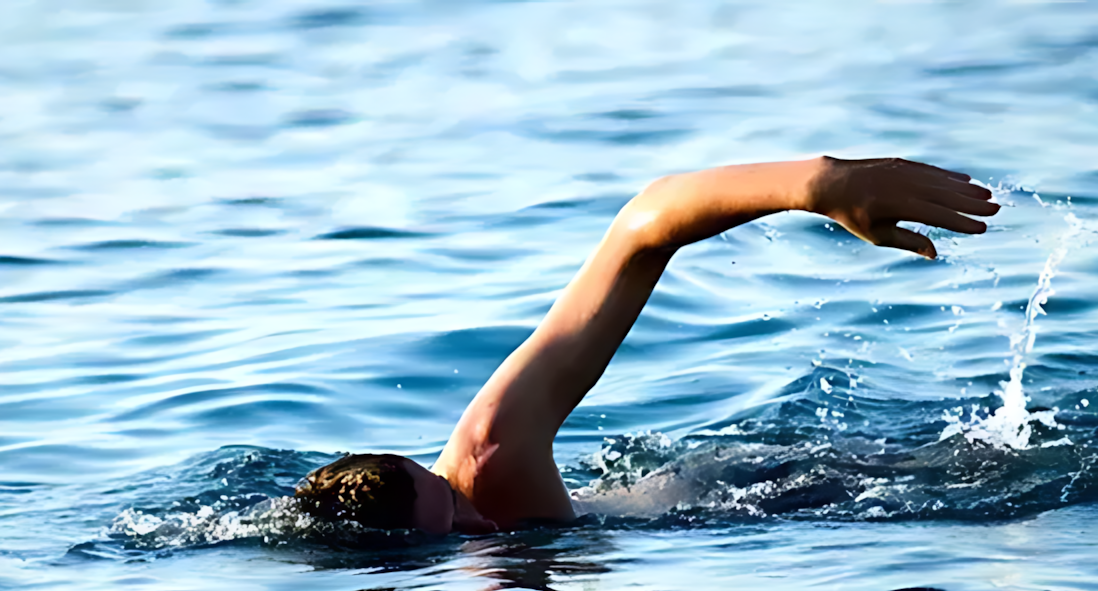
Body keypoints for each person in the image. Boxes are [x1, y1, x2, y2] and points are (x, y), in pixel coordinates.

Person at [295, 156, 1000, 533]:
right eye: (453, 527)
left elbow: (641, 227)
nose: (475, 516)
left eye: (450, 497)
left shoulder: (491, 453)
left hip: (769, 488)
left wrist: (817, 184)